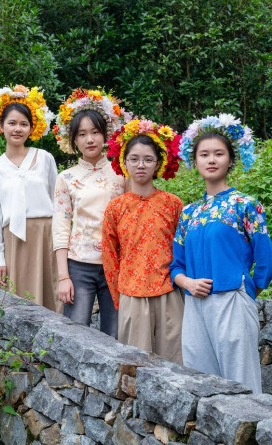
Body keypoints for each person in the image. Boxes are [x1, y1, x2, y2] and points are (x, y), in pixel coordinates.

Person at [170, 113, 272, 393]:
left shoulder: (245, 205)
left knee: (242, 383)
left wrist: (246, 290)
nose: (211, 159)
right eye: (204, 154)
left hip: (232, 299)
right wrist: (188, 283)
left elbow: (266, 259)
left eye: (219, 153)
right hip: (195, 304)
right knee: (201, 382)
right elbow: (175, 266)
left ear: (231, 160)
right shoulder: (188, 213)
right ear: (194, 162)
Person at [102, 119, 184, 362]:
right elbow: (109, 254)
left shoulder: (173, 203)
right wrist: (119, 297)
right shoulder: (116, 207)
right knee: (136, 365)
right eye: (134, 159)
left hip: (169, 292)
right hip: (131, 294)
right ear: (124, 162)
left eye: (148, 159)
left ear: (158, 164)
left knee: (176, 362)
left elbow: (183, 249)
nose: (141, 165)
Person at [51, 88, 128, 337]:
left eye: (95, 132)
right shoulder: (66, 178)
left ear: (105, 135)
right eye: (82, 134)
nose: (90, 139)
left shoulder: (122, 174)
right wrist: (64, 277)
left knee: (115, 334)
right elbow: (61, 227)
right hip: (79, 265)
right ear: (73, 140)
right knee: (75, 333)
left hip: (115, 264)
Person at [0, 85, 59, 311]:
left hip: (46, 236)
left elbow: (58, 200)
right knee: (19, 299)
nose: (18, 129)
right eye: (12, 123)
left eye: (24, 124)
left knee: (50, 295)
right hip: (14, 240)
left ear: (31, 128)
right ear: (1, 126)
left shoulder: (44, 158)